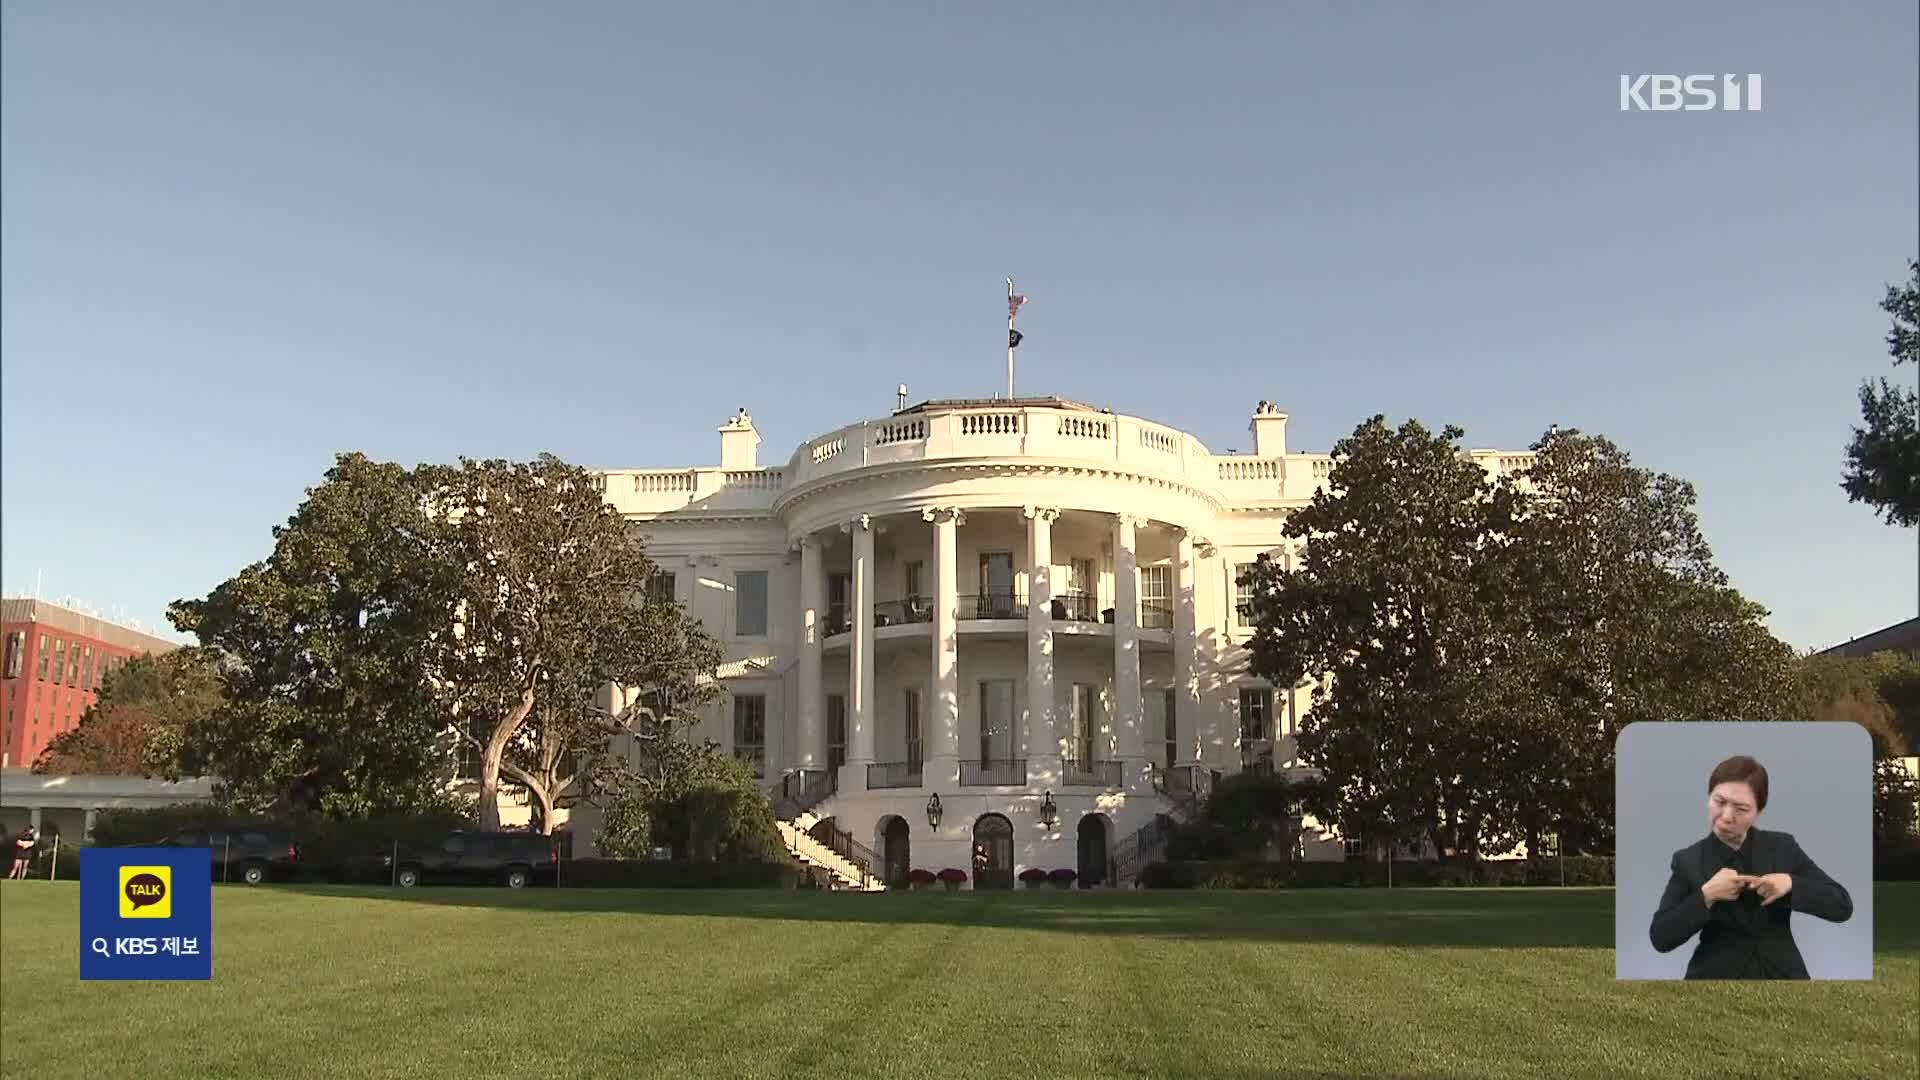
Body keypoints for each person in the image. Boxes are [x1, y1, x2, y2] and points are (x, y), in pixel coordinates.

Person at [1648, 754, 1854, 979]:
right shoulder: (1688, 860)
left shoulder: (1782, 847)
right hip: (1713, 980)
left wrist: (1791, 884)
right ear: (1708, 798)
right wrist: (1707, 896)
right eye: (1719, 802)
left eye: (1741, 808)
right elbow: (1660, 937)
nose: (1726, 816)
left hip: (1784, 977)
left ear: (1759, 811)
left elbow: (1842, 905)